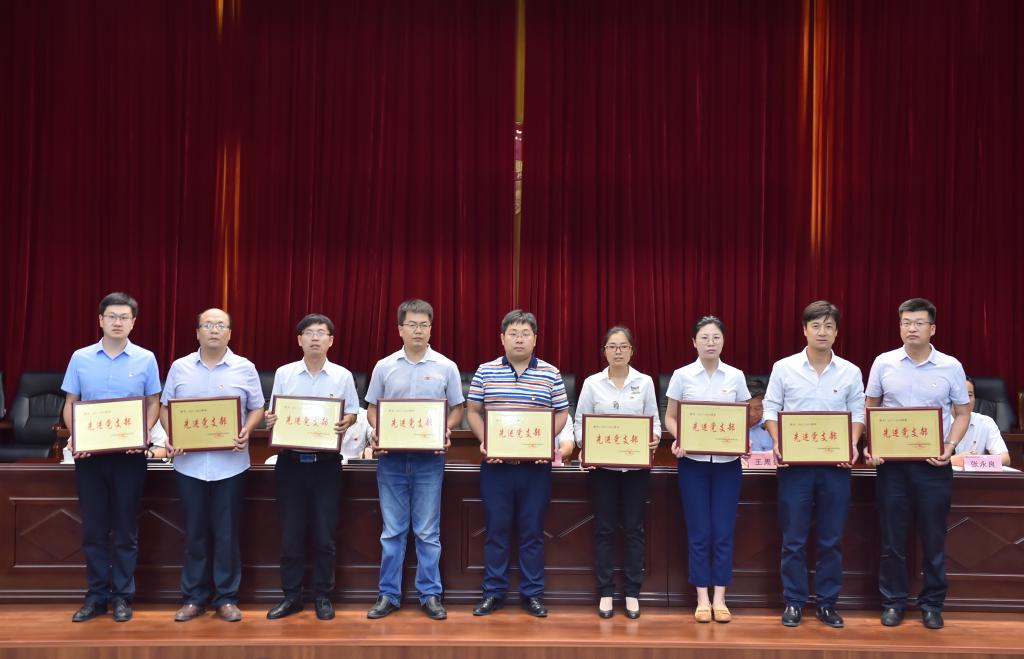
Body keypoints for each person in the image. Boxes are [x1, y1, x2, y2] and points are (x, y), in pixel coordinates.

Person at [865, 298, 971, 630]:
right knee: (892, 539)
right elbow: (871, 407)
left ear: (932, 328)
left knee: (933, 538)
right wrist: (872, 445)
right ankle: (893, 602)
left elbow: (962, 413)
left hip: (933, 465)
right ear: (899, 327)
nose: (912, 328)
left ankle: (932, 604)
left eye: (919, 323)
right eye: (906, 322)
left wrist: (950, 446)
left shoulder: (950, 366)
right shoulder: (884, 363)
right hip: (892, 466)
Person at [61, 292, 162, 623]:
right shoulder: (80, 357)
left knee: (125, 529)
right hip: (90, 456)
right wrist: (77, 436)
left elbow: (153, 403)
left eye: (124, 317)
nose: (118, 322)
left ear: (133, 322)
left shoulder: (145, 359)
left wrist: (143, 434)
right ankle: (96, 597)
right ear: (101, 320)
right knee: (94, 529)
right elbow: (70, 403)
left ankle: (122, 597)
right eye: (112, 316)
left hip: (129, 457)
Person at [763, 301, 864, 629]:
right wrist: (777, 441)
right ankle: (793, 601)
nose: (822, 332)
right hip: (795, 467)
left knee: (830, 539)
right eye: (816, 326)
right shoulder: (784, 368)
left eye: (829, 326)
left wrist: (852, 442)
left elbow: (858, 414)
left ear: (837, 332)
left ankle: (826, 603)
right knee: (793, 538)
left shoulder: (850, 371)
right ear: (804, 330)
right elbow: (770, 410)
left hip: (835, 467)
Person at [467, 309, 573, 618]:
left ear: (535, 339)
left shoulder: (550, 373)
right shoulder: (485, 371)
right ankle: (493, 592)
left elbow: (562, 412)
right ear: (502, 338)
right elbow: (473, 410)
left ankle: (532, 594)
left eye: (525, 333)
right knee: (496, 531)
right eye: (513, 333)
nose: (519, 339)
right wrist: (485, 440)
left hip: (535, 467)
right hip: (496, 466)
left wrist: (544, 440)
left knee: (532, 533)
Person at [161, 308, 265, 622]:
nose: (214, 330)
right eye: (208, 324)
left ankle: (226, 598)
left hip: (230, 466)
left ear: (230, 333)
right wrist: (171, 434)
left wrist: (246, 430)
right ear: (197, 332)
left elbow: (257, 408)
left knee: (226, 534)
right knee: (195, 533)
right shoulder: (180, 367)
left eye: (221, 325)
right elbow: (165, 408)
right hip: (189, 465)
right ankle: (194, 598)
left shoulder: (245, 368)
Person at [364, 299, 464, 621]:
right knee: (392, 531)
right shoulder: (384, 366)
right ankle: (388, 594)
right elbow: (372, 409)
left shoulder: (446, 367)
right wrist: (379, 430)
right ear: (400, 329)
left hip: (429, 461)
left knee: (427, 532)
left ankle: (430, 594)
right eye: (412, 325)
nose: (418, 330)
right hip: (391, 460)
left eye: (424, 325)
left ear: (431, 329)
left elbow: (457, 408)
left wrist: (446, 428)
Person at [264, 314, 360, 621]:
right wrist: (271, 419)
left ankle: (323, 596)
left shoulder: (342, 376)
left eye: (321, 332)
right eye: (309, 332)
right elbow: (274, 414)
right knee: (290, 535)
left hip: (326, 466)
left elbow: (353, 413)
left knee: (324, 535)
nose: (315, 337)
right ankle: (291, 597)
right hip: (290, 464)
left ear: (331, 340)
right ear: (299, 340)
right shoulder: (284, 373)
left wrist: (348, 420)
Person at [664, 316, 751, 624]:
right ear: (694, 342)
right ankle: (702, 598)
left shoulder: (736, 376)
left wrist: (742, 439)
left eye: (716, 337)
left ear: (723, 341)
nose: (710, 342)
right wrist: (681, 438)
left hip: (728, 466)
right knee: (700, 531)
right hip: (693, 465)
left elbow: (743, 418)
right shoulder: (682, 376)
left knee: (723, 531)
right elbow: (670, 417)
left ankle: (720, 598)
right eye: (704, 337)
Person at [573, 326, 661, 619]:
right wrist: (587, 446)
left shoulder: (644, 382)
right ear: (604, 351)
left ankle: (633, 592)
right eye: (612, 346)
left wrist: (654, 438)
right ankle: (606, 592)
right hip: (603, 470)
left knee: (635, 529)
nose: (618, 351)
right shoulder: (592, 383)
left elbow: (655, 422)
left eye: (623, 346)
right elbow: (579, 424)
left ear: (632, 351)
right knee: (604, 530)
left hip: (635, 470)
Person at [950, 377, 1010, 467]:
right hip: (943, 475)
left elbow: (1005, 459)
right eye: (959, 395)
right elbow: (929, 461)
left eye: (969, 395)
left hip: (974, 475)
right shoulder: (937, 422)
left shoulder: (986, 422)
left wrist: (975, 460)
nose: (965, 400)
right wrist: (955, 460)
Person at [746, 382, 773, 453]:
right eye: (748, 408)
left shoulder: (773, 427)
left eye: (757, 408)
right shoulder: (731, 427)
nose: (752, 414)